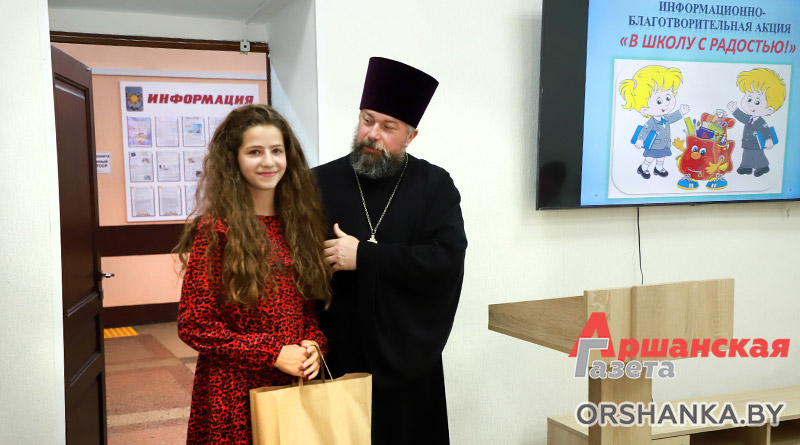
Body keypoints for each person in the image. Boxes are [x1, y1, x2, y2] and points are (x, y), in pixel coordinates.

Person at [314, 57, 468, 444]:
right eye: (367, 120)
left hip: (410, 363)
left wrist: (365, 257)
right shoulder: (317, 182)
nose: (372, 134)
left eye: (388, 127)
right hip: (337, 355)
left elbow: (446, 259)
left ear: (410, 137)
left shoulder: (434, 185)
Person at [175, 104, 331, 445]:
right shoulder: (217, 229)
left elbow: (305, 310)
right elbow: (194, 324)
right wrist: (271, 353)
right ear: (234, 159)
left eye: (277, 150)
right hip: (233, 393)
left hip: (291, 386)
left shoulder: (298, 225)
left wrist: (314, 344)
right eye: (255, 152)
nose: (269, 162)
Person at [619, 65, 690, 179]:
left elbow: (672, 117)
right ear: (644, 110)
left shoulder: (665, 118)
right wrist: (640, 140)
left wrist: (681, 112)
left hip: (664, 144)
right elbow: (645, 130)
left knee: (661, 158)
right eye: (659, 101)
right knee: (650, 158)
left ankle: (658, 168)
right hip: (653, 145)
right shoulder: (651, 121)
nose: (666, 104)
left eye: (668, 98)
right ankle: (643, 168)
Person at [727, 68, 786, 177]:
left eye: (757, 102)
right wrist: (734, 110)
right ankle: (746, 167)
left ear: (769, 110)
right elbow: (742, 117)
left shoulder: (761, 121)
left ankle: (763, 167)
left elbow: (766, 130)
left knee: (757, 155)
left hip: (757, 144)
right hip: (747, 142)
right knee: (746, 155)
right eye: (749, 99)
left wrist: (768, 139)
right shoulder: (748, 118)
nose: (750, 104)